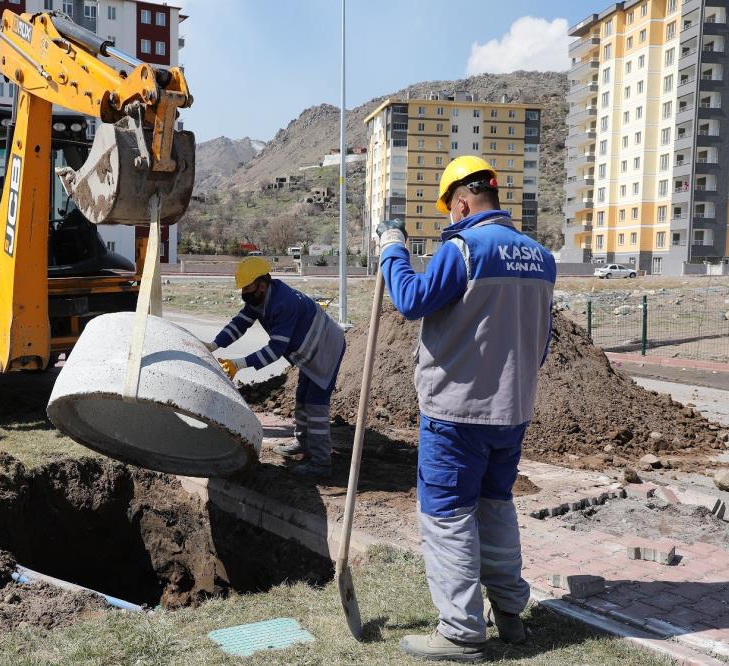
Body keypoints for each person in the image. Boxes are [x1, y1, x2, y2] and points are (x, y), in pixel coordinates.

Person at [375, 156, 556, 662]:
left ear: (460, 203)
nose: (449, 221)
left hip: (457, 414)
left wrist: (392, 248)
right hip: (513, 410)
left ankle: (460, 633)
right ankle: (511, 616)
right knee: (496, 509)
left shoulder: (464, 248)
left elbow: (411, 300)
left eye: (449, 212)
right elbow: (540, 341)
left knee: (448, 517)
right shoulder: (541, 257)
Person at [207, 256, 346, 478]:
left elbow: (275, 350)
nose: (245, 294)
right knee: (301, 396)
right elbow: (239, 324)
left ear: (262, 284)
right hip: (307, 352)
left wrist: (239, 364)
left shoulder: (284, 302)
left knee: (316, 404)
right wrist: (213, 345)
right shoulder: (260, 299)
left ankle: (321, 462)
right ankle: (303, 443)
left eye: (248, 289)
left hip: (325, 348)